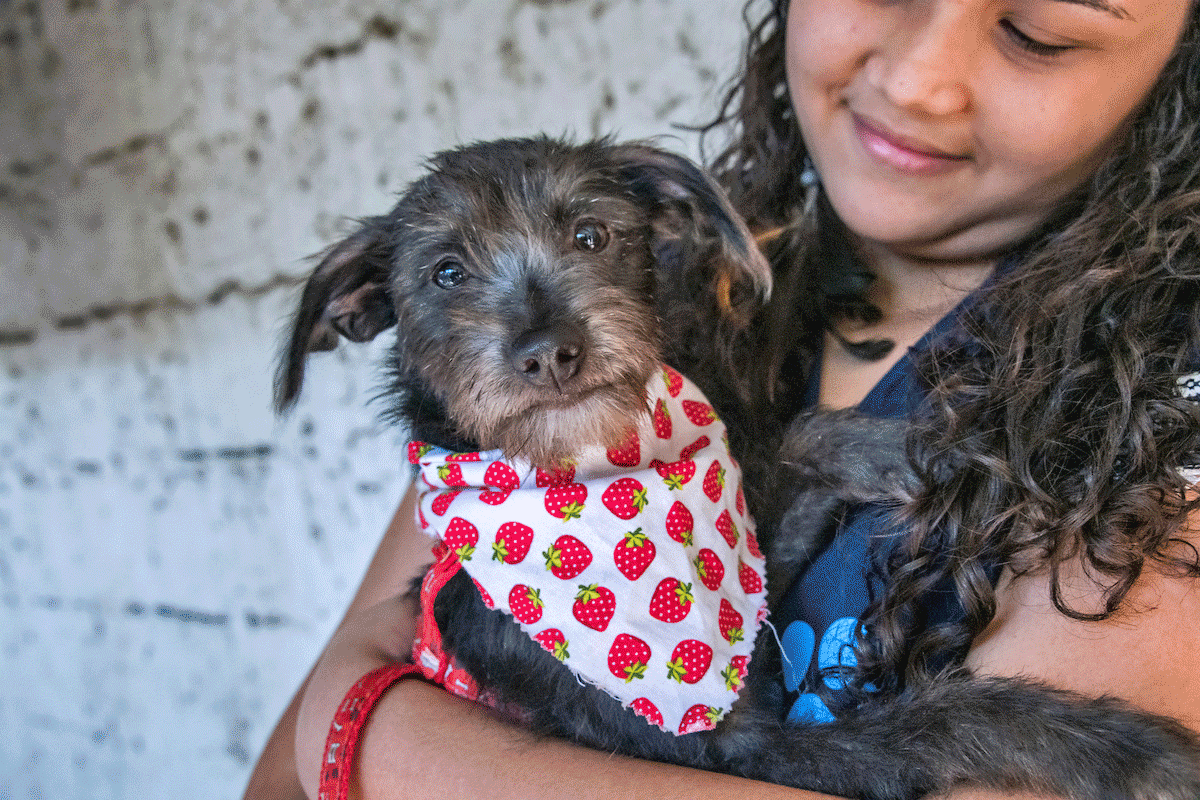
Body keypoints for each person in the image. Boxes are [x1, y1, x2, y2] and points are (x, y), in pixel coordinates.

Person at [243, 0, 1200, 797]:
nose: (916, 80)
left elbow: (345, 697)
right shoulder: (558, 429)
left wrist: (368, 724)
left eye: (1039, 31)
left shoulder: (1155, 415)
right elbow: (277, 778)